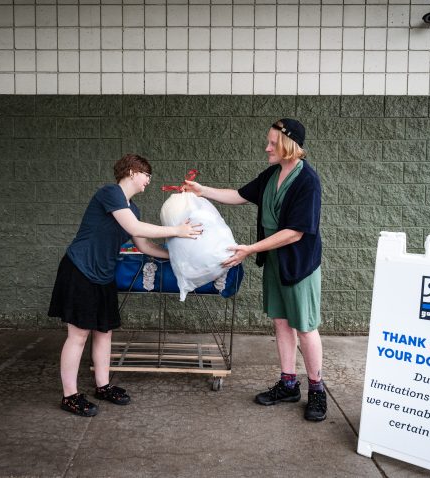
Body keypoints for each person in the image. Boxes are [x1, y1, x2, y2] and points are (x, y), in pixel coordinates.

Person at [183, 118, 326, 422]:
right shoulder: (272, 174)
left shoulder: (307, 181)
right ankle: (289, 383)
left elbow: (295, 233)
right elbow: (238, 195)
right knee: (281, 322)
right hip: (275, 261)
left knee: (305, 326)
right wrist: (201, 190)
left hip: (299, 264)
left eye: (273, 143)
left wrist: (249, 249)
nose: (267, 148)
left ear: (289, 145)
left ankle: (316, 388)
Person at [48, 153, 202, 417]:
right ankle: (70, 396)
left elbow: (143, 245)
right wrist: (177, 230)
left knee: (104, 332)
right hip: (80, 269)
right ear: (132, 171)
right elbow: (135, 228)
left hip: (104, 274)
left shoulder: (134, 208)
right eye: (146, 175)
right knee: (78, 335)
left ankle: (103, 386)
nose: (148, 182)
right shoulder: (110, 193)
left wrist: (176, 255)